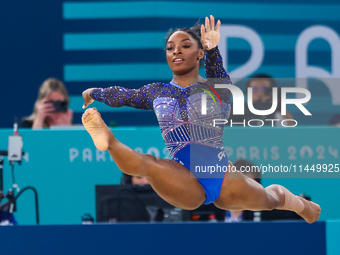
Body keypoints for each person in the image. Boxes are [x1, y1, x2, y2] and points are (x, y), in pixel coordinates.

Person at [81, 16, 320, 224]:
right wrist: (96, 92)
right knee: (148, 164)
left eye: (185, 45)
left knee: (270, 201)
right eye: (170, 47)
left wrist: (213, 49)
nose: (176, 51)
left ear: (200, 54)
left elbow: (218, 74)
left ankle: (302, 206)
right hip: (182, 172)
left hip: (222, 175)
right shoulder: (157, 92)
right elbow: (125, 95)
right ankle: (108, 141)